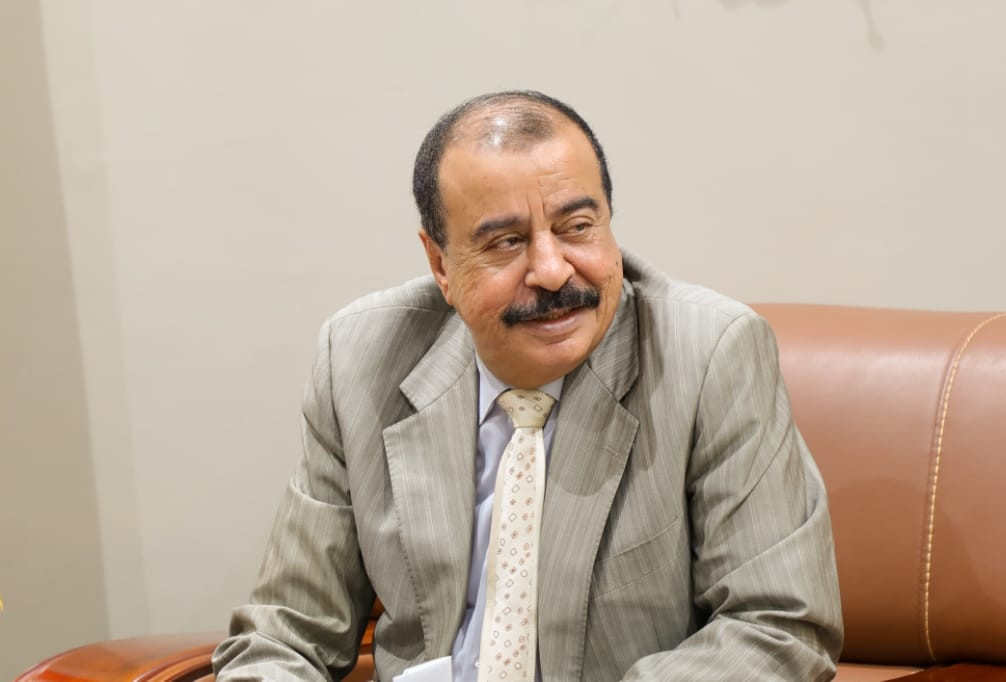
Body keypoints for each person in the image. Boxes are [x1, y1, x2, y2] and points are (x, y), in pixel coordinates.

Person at [212, 90, 843, 681]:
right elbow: (284, 636)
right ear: (440, 265)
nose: (551, 269)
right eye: (507, 242)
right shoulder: (360, 358)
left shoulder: (708, 355)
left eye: (578, 227)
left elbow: (776, 627)